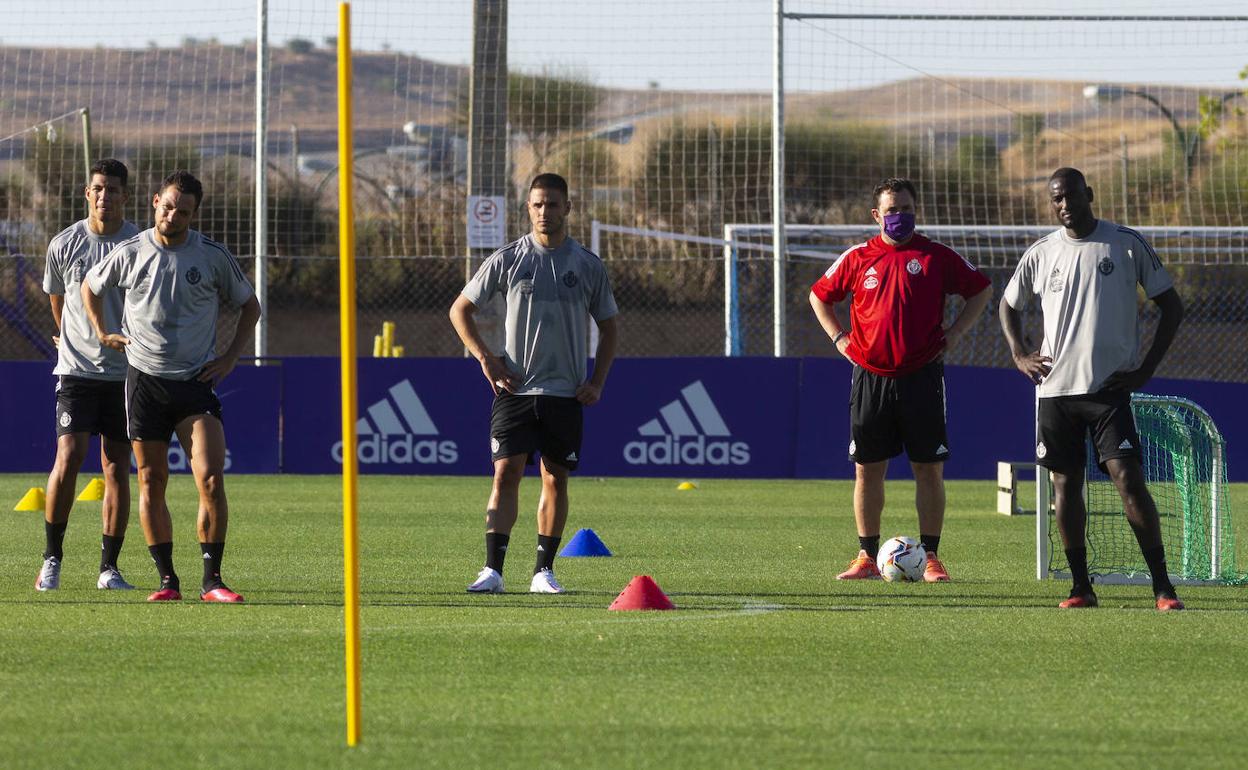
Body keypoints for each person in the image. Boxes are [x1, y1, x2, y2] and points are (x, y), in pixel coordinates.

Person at [1000, 167, 1185, 611]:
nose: (1064, 205)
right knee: (1066, 487)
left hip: (1108, 392)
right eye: (1056, 199)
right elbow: (1009, 305)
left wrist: (1144, 371)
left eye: (1070, 196)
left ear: (1089, 194)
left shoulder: (1125, 242)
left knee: (1129, 481)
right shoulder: (1042, 252)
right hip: (1055, 393)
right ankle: (1081, 587)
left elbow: (1171, 307)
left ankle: (1163, 588)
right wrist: (1019, 353)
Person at [81, 170, 261, 603]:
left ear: (193, 214)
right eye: (168, 206)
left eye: (183, 211)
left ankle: (212, 580)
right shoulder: (130, 251)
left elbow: (250, 307)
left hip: (195, 382)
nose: (173, 215)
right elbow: (90, 287)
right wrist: (102, 330)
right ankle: (168, 582)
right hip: (144, 381)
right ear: (155, 201)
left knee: (211, 479)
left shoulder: (212, 256)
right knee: (151, 480)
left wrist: (231, 357)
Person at [809, 178, 992, 582]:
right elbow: (819, 296)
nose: (900, 216)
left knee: (928, 470)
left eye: (906, 208)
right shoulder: (858, 257)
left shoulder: (935, 256)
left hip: (923, 376)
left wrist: (956, 334)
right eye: (892, 210)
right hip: (871, 377)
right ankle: (865, 558)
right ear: (877, 215)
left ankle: (931, 559)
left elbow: (980, 290)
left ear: (916, 211)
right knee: (867, 470)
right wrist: (839, 338)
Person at [450, 172, 619, 594]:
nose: (545, 212)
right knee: (504, 474)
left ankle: (543, 571)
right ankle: (492, 570)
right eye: (538, 204)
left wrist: (596, 382)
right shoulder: (508, 258)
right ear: (528, 207)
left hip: (564, 393)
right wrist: (486, 358)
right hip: (515, 390)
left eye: (553, 204)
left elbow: (611, 328)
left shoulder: (586, 265)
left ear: (568, 208)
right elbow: (460, 310)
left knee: (554, 478)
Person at [36, 159, 140, 591]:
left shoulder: (139, 242)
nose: (105, 196)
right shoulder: (64, 244)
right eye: (98, 188)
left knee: (117, 467)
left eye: (113, 190)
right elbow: (57, 298)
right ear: (87, 193)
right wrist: (67, 335)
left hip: (126, 373)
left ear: (124, 196)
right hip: (77, 370)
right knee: (69, 456)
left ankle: (108, 568)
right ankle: (51, 559)